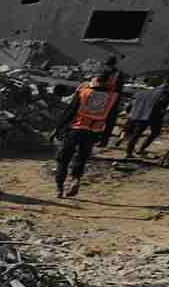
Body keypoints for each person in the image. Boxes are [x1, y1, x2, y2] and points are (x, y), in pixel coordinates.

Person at [52, 69, 122, 199]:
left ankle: (59, 188)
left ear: (96, 80)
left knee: (64, 158)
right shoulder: (113, 97)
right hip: (94, 132)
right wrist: (106, 137)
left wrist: (58, 128)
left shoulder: (83, 91)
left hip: (76, 129)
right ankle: (75, 179)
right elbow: (111, 119)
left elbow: (70, 111)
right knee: (82, 158)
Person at [122, 77, 169, 157]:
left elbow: (136, 101)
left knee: (137, 133)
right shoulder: (166, 92)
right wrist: (164, 111)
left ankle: (129, 152)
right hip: (155, 115)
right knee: (154, 132)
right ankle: (141, 149)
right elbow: (162, 103)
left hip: (144, 113)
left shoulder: (153, 90)